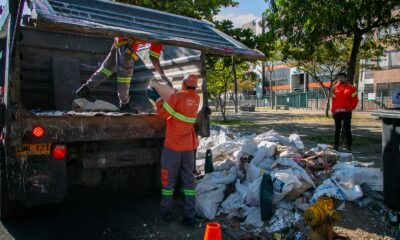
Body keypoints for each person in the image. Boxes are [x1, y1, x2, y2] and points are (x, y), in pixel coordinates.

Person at [148, 75, 199, 227]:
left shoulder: (177, 96)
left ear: (183, 84)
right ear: (195, 86)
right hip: (188, 148)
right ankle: (190, 215)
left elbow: (164, 114)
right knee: (189, 182)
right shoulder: (196, 99)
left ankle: (166, 211)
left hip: (173, 147)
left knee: (168, 180)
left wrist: (157, 98)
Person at [75, 37, 172, 112]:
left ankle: (85, 89)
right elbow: (154, 58)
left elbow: (153, 57)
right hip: (127, 44)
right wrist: (163, 77)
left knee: (106, 69)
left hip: (119, 41)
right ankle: (124, 104)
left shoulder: (158, 31)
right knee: (124, 77)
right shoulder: (161, 36)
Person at [331, 73, 358, 151]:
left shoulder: (351, 88)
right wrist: (333, 111)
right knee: (337, 129)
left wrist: (350, 108)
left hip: (347, 112)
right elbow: (333, 100)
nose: (340, 79)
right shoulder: (335, 88)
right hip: (337, 113)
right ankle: (336, 146)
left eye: (342, 77)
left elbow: (355, 100)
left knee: (347, 129)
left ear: (345, 78)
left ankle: (348, 146)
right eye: (339, 77)